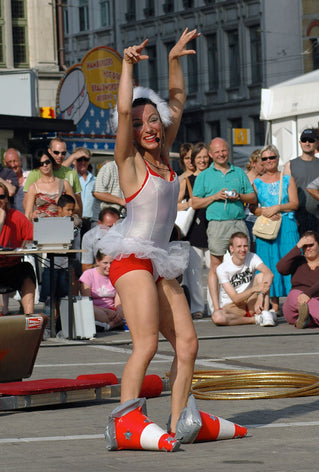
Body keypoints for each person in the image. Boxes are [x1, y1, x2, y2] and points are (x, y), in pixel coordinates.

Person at [99, 29, 200, 450]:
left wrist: (175, 57)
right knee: (146, 343)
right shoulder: (129, 162)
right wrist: (127, 66)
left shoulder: (166, 153)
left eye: (152, 119)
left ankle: (178, 420)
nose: (147, 127)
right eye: (139, 124)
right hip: (131, 259)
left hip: (161, 259)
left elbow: (176, 99)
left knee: (189, 344)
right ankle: (125, 422)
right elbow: (124, 114)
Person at [192, 137, 256, 313]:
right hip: (217, 224)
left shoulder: (239, 172)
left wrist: (239, 196)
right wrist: (214, 196)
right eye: (217, 152)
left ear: (228, 151)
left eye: (224, 151)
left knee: (244, 263)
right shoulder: (204, 175)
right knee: (216, 264)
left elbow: (252, 198)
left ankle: (246, 305)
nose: (221, 154)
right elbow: (195, 203)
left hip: (238, 222)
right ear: (211, 154)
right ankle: (215, 306)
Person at [251, 144, 299, 313]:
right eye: (265, 158)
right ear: (261, 162)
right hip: (267, 228)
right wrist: (265, 212)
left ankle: (295, 302)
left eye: (272, 157)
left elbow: (294, 203)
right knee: (270, 263)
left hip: (286, 226)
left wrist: (277, 208)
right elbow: (252, 208)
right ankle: (275, 305)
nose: (269, 161)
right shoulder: (256, 182)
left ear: (278, 159)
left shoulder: (287, 179)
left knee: (291, 261)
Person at [177, 142, 211, 319]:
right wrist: (187, 204)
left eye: (205, 157)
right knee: (194, 273)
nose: (202, 160)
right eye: (199, 157)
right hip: (193, 228)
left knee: (215, 270)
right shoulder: (187, 180)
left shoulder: (215, 176)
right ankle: (197, 308)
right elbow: (174, 205)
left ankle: (215, 307)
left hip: (212, 226)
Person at [213, 232, 275, 326]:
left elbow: (269, 274)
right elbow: (235, 298)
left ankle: (265, 313)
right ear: (231, 248)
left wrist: (261, 294)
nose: (243, 249)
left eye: (245, 246)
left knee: (262, 276)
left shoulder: (252, 257)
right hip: (233, 305)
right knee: (217, 317)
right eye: (239, 246)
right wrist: (255, 289)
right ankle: (255, 319)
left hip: (251, 301)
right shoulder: (222, 268)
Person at [39, 194, 78, 330]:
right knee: (49, 298)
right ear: (59, 209)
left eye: (72, 210)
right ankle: (48, 325)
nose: (70, 213)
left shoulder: (74, 226)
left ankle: (61, 325)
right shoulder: (49, 224)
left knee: (62, 295)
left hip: (64, 266)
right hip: (50, 266)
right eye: (68, 210)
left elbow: (74, 247)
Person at [0, 183, 35, 316]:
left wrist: (27, 242)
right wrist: (1, 220)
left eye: (1, 196)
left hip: (12, 266)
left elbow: (31, 237)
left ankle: (29, 317)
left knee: (27, 269)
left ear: (7, 199)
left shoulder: (17, 216)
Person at [23, 138, 82, 215]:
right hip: (41, 222)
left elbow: (78, 203)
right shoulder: (35, 173)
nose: (60, 156)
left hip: (62, 223)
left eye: (63, 153)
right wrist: (33, 215)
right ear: (49, 151)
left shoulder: (70, 174)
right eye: (56, 152)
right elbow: (26, 202)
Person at [276, 230, 319, 329]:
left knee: (310, 304)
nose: (308, 248)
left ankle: (307, 321)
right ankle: (307, 317)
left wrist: (308, 294)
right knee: (294, 294)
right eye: (304, 246)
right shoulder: (297, 261)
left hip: (316, 300)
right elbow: (280, 268)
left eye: (311, 245)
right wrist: (297, 247)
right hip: (294, 306)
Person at [283, 128, 319, 234]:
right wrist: (291, 217)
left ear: (316, 143)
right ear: (300, 142)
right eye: (304, 140)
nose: (307, 143)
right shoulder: (290, 165)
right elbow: (284, 195)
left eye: (311, 140)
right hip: (297, 217)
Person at [24, 151, 76, 221]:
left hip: (61, 225)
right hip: (41, 226)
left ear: (52, 162)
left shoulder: (64, 184)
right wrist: (33, 216)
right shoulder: (33, 187)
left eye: (47, 162)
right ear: (37, 167)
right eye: (41, 164)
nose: (45, 165)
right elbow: (28, 214)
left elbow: (76, 208)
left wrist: (62, 203)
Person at [79, 250, 124, 331]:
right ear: (97, 261)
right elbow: (87, 301)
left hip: (112, 310)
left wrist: (119, 311)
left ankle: (108, 326)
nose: (109, 266)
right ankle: (112, 324)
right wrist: (106, 311)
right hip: (96, 309)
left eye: (111, 263)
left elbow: (118, 302)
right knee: (93, 311)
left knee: (125, 310)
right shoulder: (88, 274)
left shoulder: (116, 274)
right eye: (105, 263)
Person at [81, 206, 120, 272]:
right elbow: (86, 267)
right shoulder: (89, 237)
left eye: (116, 226)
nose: (113, 230)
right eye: (109, 227)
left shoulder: (126, 234)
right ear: (99, 223)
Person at [71, 147, 97, 237]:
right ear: (74, 161)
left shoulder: (95, 180)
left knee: (89, 250)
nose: (83, 162)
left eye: (86, 159)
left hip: (91, 222)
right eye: (79, 159)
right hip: (74, 220)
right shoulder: (68, 179)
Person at [244, 149, 264, 249]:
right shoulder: (244, 178)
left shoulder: (264, 178)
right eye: (261, 164)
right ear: (253, 163)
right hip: (246, 216)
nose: (264, 167)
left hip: (261, 217)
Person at [3, 148, 29, 213]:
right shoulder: (3, 181)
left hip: (29, 220)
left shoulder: (30, 177)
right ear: (4, 163)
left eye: (15, 161)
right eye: (9, 162)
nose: (13, 165)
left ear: (21, 160)